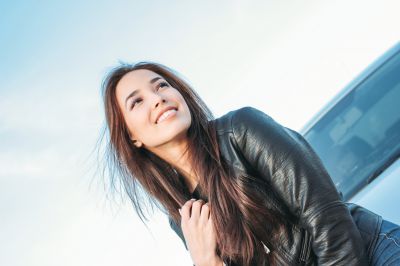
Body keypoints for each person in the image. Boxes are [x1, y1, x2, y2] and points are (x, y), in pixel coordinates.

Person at [99, 61, 400, 266]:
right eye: (136, 101)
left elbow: (326, 217)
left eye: (161, 85)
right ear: (131, 137)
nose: (157, 98)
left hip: (371, 251)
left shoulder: (240, 130)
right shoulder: (184, 219)